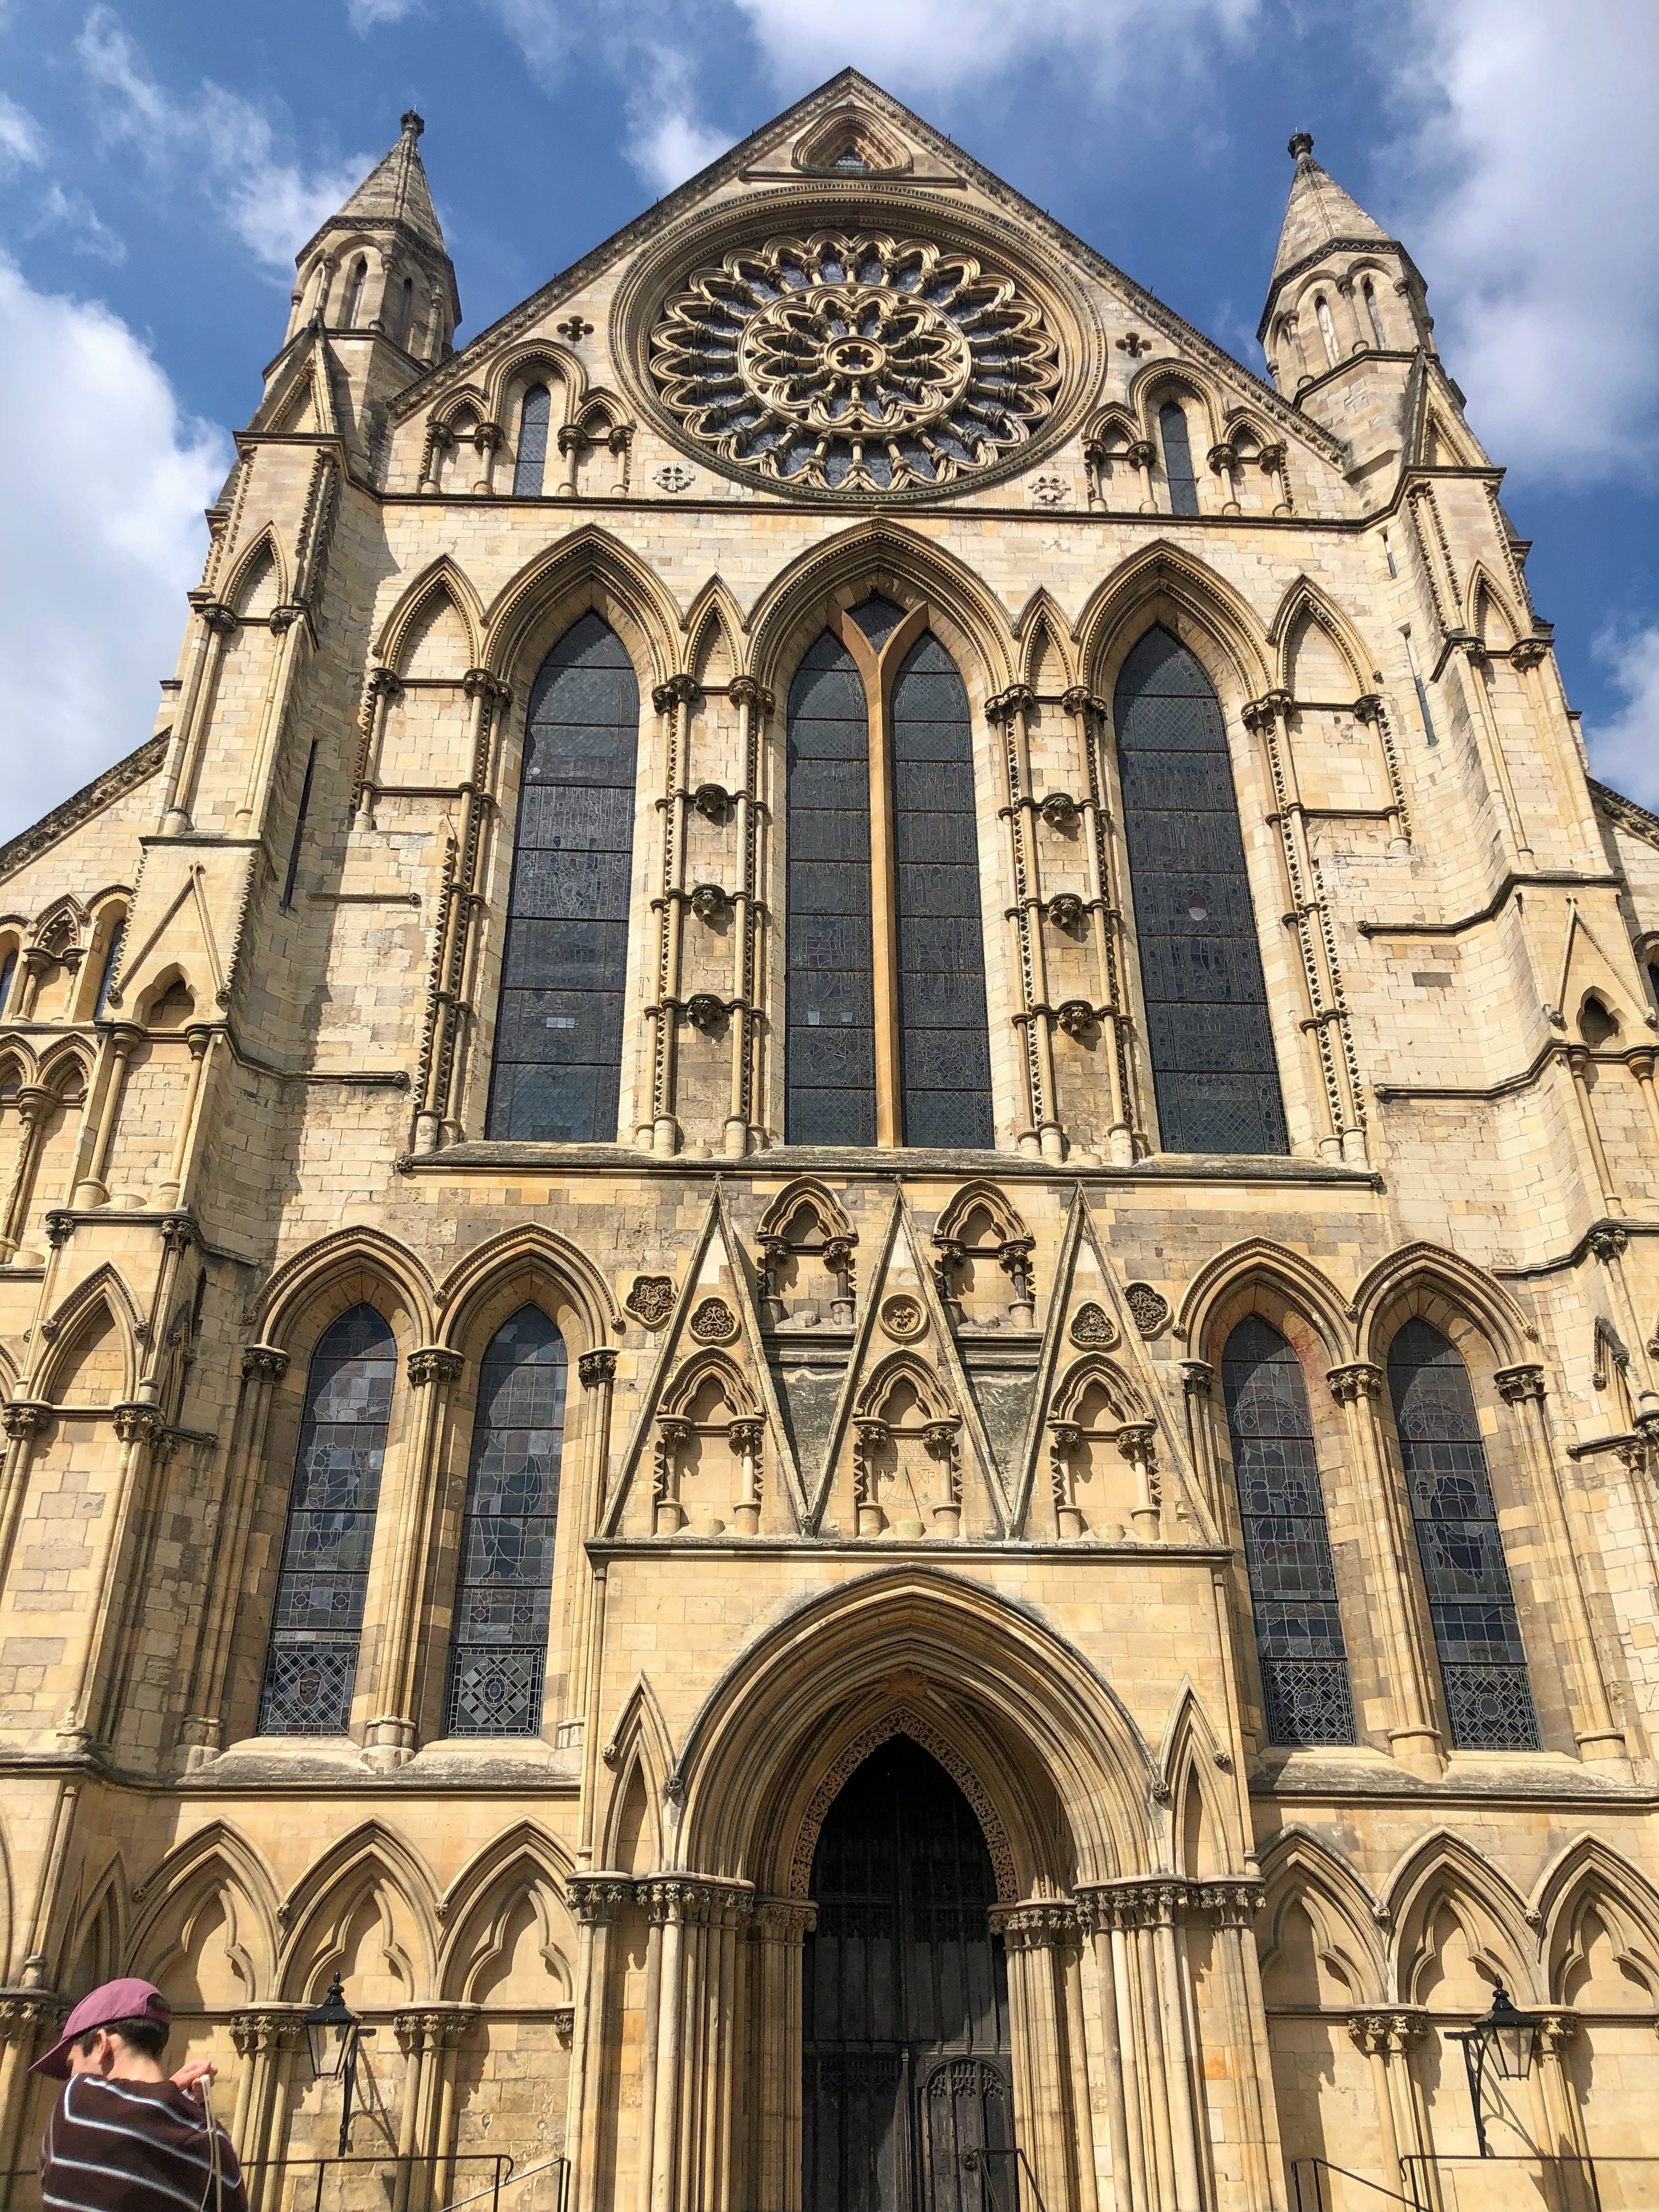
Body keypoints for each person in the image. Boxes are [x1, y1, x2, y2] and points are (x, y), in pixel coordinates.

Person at [32, 1978, 249, 2212]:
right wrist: (174, 2098)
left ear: (101, 2044)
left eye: (71, 2063)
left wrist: (171, 2090)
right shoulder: (214, 2145)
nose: (70, 2075)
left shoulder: (76, 2100)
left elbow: (47, 2172)